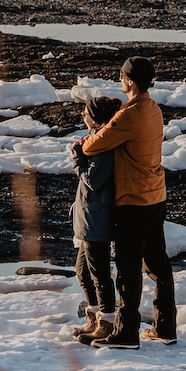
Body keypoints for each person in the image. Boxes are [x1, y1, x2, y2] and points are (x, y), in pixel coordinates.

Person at [77, 56, 176, 349]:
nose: (120, 81)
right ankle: (165, 327)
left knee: (128, 268)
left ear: (130, 82)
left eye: (121, 77)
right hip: (155, 194)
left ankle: (126, 333)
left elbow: (92, 145)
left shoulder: (128, 115)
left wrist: (83, 143)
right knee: (158, 264)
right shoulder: (154, 109)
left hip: (133, 200)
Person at [68, 94, 119, 343]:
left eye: (86, 113)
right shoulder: (95, 141)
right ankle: (94, 317)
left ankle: (107, 322)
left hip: (97, 218)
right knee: (83, 271)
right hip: (88, 217)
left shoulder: (103, 147)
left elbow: (93, 180)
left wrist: (78, 158)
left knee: (98, 273)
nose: (82, 116)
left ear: (96, 119)